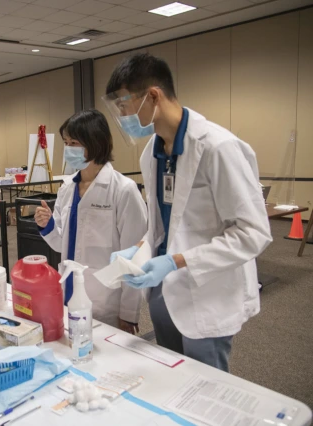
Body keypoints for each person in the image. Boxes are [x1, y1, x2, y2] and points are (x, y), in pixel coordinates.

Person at [104, 53, 272, 371]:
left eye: (124, 106)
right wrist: (138, 252)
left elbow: (253, 233)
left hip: (208, 292)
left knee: (206, 389)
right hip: (163, 292)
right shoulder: (151, 156)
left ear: (152, 96)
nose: (122, 116)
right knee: (173, 378)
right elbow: (163, 227)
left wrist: (176, 261)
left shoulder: (218, 148)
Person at [34, 110, 147, 332]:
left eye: (74, 142)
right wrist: (46, 225)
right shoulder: (67, 188)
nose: (68, 149)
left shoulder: (123, 190)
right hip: (68, 293)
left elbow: (134, 256)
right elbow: (61, 244)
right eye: (66, 142)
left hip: (105, 301)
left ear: (95, 143)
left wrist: (129, 313)